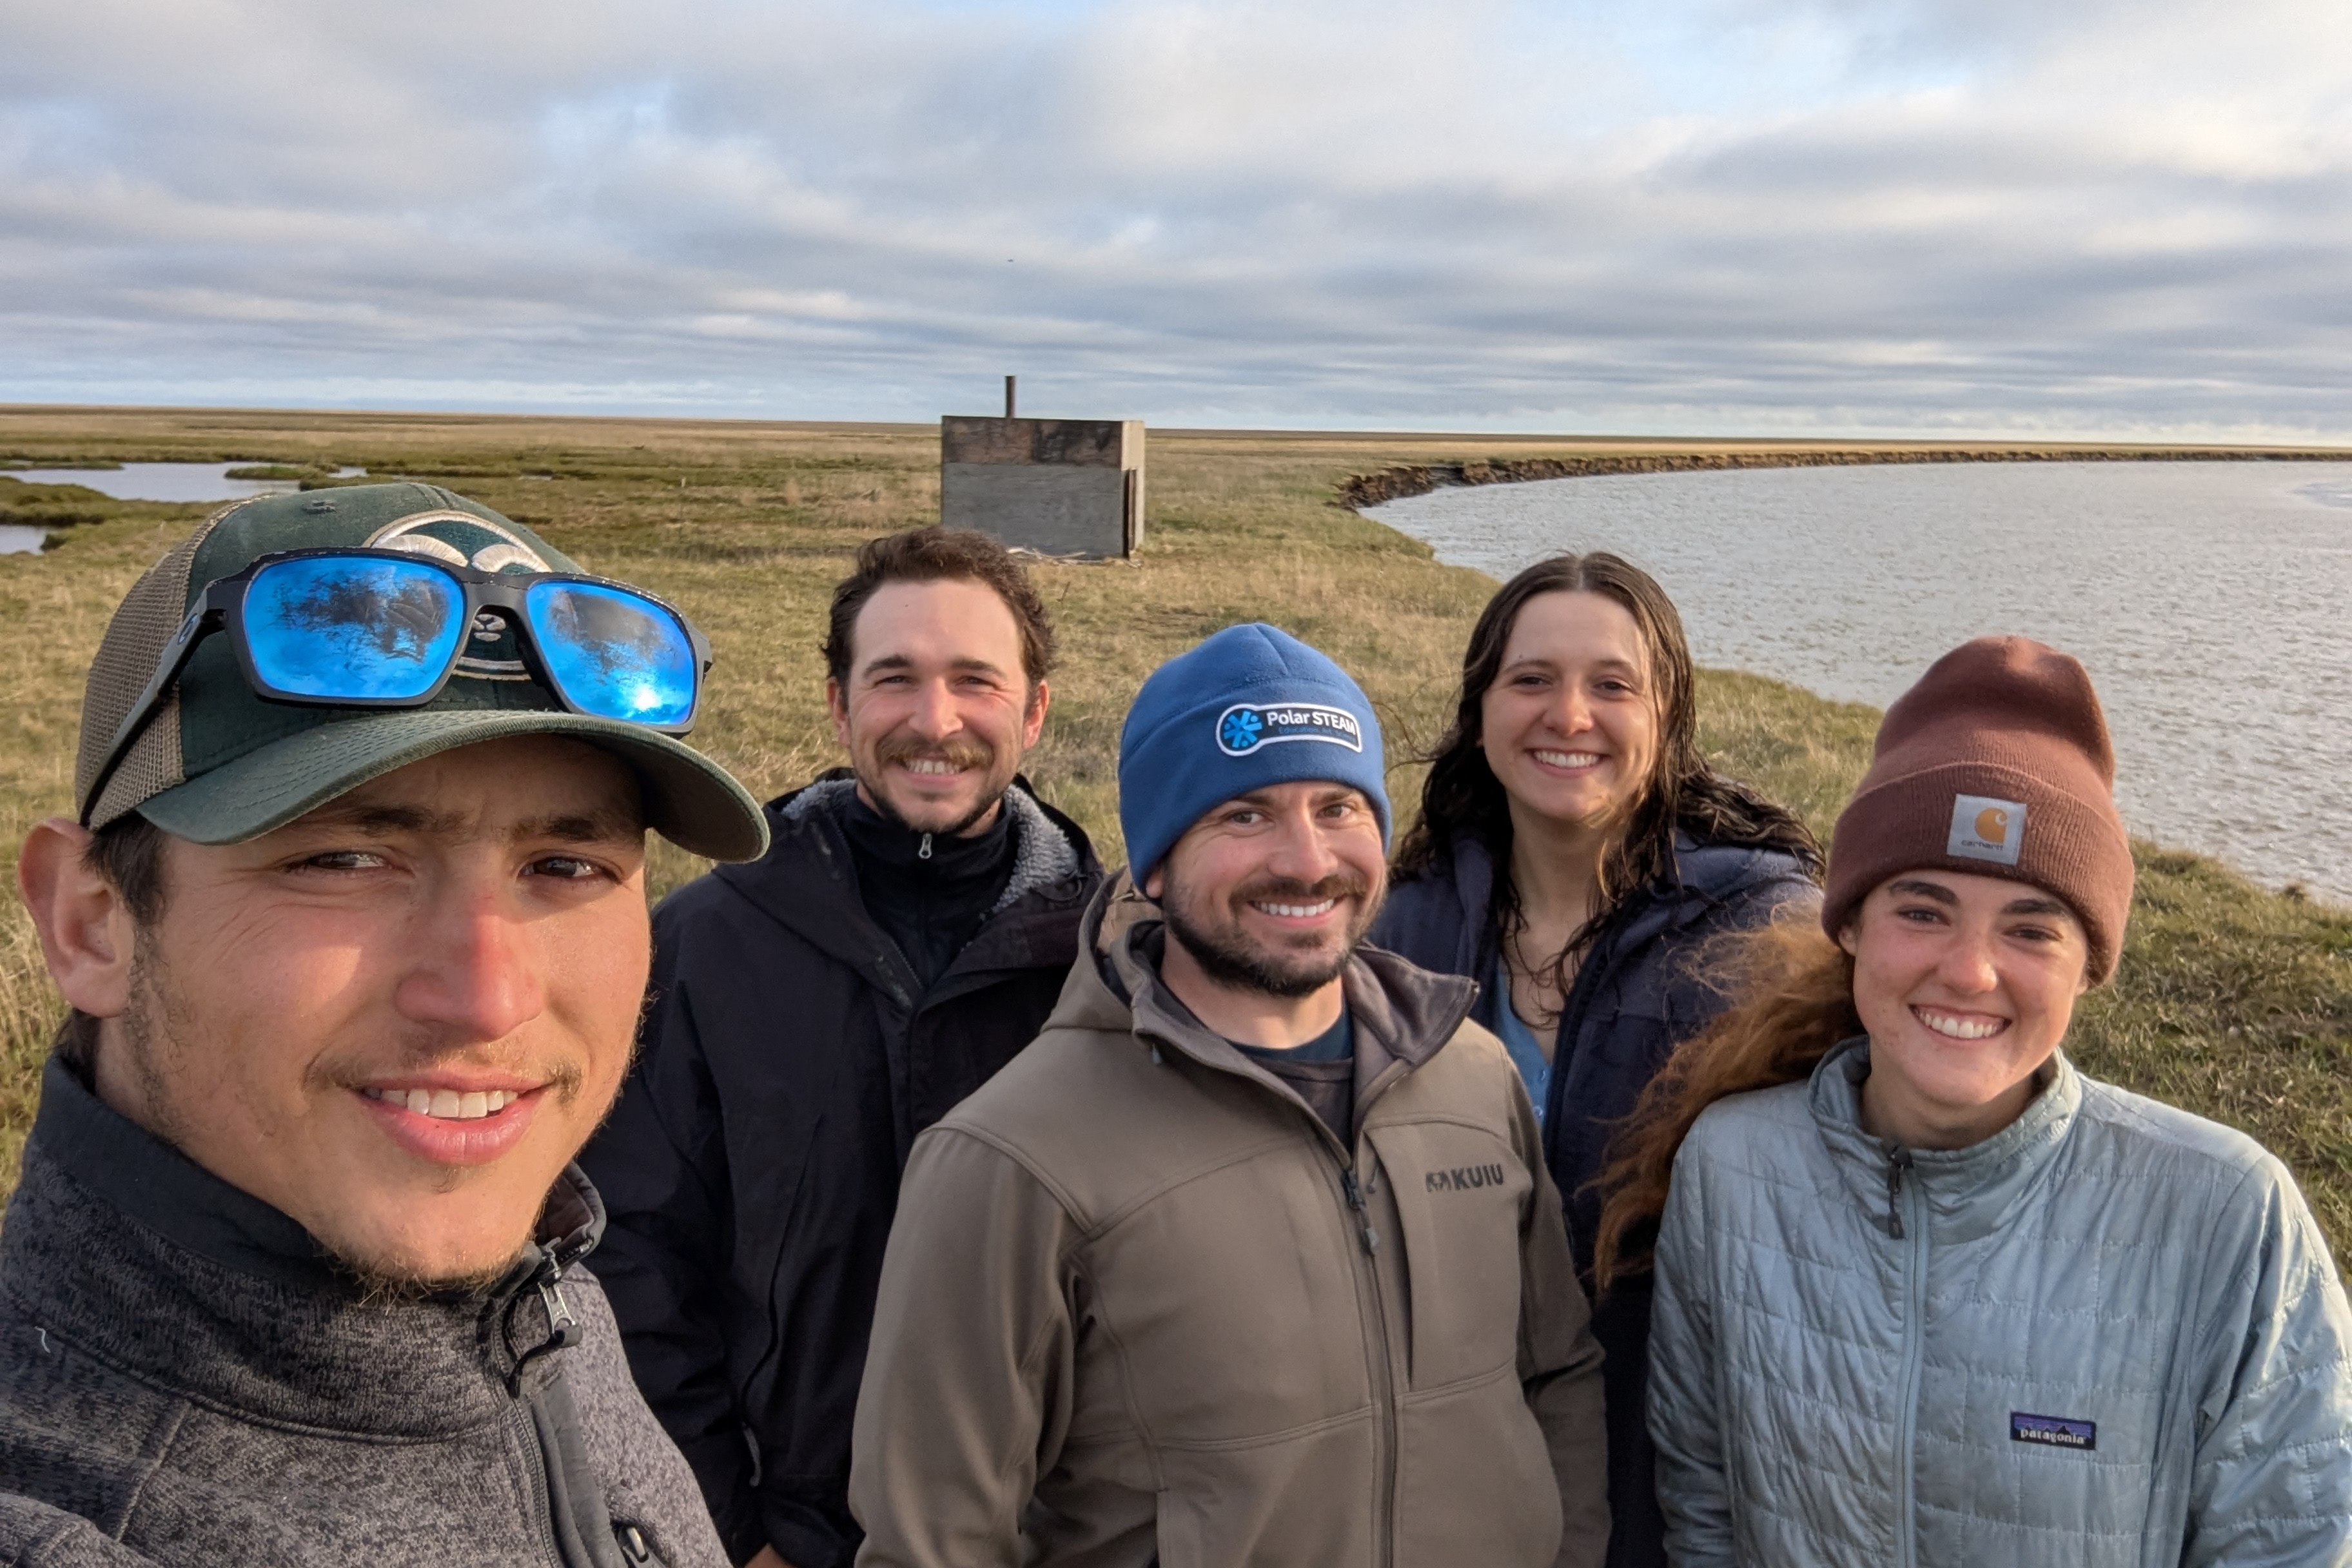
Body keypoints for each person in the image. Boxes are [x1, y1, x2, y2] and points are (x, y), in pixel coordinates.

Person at [3, 483, 771, 1566]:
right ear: (92, 923)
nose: (488, 998)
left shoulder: (544, 1294)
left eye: (565, 866)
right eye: (345, 860)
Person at [849, 622, 1610, 1568]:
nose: (1307, 860)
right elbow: (932, 1540)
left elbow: (1557, 1375)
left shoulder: (1471, 1075)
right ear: (1156, 862)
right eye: (1245, 816)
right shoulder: (1012, 1158)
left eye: (1339, 807)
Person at [1610, 636, 2352, 1565]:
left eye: (2031, 930)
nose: (1969, 972)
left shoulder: (2230, 1216)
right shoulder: (1731, 1169)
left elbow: (2292, 1542)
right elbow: (1704, 1504)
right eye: (1923, 911)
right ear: (1851, 928)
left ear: (2091, 968)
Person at [580, 527, 1102, 1568]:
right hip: (789, 1532)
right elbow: (628, 1256)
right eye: (895, 678)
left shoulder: (1106, 962)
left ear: (1035, 711)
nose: (934, 721)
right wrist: (731, 1529)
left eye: (975, 681)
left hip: (1048, 1529)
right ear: (839, 704)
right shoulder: (704, 946)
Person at [1369, 551, 1819, 1568]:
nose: (1569, 715)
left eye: (1613, 685)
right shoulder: (1399, 928)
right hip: (1449, 1466)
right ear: (1481, 710)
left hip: (1676, 1472)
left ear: (1668, 719)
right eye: (1531, 679)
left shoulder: (1764, 942)